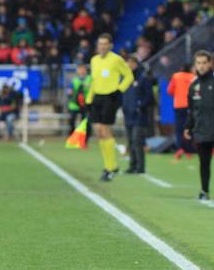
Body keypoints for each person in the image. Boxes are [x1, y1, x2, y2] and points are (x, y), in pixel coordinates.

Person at [183, 50, 214, 201]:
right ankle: (204, 191)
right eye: (199, 63)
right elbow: (192, 109)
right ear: (195, 65)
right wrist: (188, 126)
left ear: (210, 63)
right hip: (201, 130)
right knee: (204, 162)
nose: (202, 66)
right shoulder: (193, 84)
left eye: (204, 63)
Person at [87, 33, 134, 181]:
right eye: (100, 44)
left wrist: (119, 90)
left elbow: (129, 76)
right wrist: (89, 98)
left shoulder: (116, 60)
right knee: (98, 131)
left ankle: (110, 167)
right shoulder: (94, 60)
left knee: (105, 130)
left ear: (110, 45)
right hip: (97, 97)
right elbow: (94, 80)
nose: (102, 46)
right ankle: (109, 165)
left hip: (110, 96)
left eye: (104, 44)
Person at [122, 56, 154, 174]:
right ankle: (132, 165)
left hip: (139, 116)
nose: (129, 65)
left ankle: (140, 167)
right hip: (128, 114)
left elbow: (150, 97)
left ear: (136, 64)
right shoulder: (125, 78)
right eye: (127, 63)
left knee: (137, 141)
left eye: (131, 63)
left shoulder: (143, 78)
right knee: (130, 141)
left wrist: (140, 106)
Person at [167, 64, 196, 159]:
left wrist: (178, 93)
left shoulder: (176, 76)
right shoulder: (194, 77)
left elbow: (169, 91)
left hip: (179, 105)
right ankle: (189, 150)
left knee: (179, 129)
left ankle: (180, 148)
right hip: (190, 106)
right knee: (189, 128)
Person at [66, 64, 89, 135]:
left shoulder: (90, 79)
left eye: (83, 69)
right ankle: (72, 135)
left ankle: (83, 138)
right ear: (77, 71)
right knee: (72, 120)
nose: (82, 71)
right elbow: (69, 91)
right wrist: (69, 92)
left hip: (86, 104)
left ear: (86, 71)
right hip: (74, 104)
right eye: (80, 69)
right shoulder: (74, 80)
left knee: (85, 122)